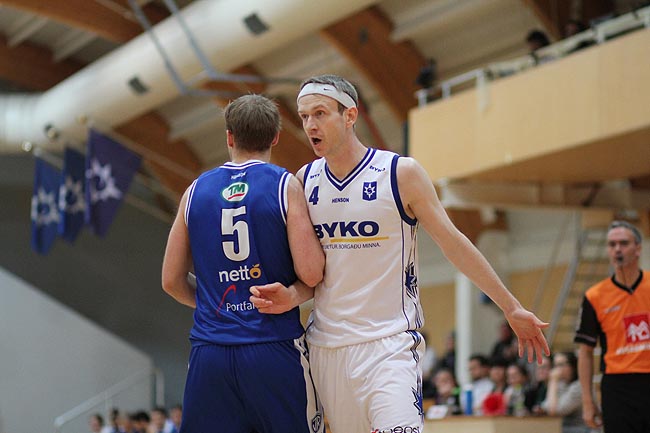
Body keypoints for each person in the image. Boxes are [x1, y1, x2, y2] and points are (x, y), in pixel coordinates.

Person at [250, 74, 550, 433]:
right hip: (326, 348)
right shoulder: (304, 180)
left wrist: (510, 306)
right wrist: (290, 296)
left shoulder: (399, 173)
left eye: (320, 113)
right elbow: (311, 273)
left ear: (350, 115)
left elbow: (453, 242)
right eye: (304, 117)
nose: (310, 125)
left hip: (389, 347)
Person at [161, 94, 325, 433]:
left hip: (210, 353)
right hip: (272, 347)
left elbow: (171, 281)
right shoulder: (285, 185)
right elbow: (311, 273)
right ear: (275, 137)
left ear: (229, 137)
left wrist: (215, 303)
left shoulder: (194, 191)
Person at [575, 220, 650, 433]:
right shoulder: (595, 296)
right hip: (618, 387)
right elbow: (585, 352)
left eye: (624, 243)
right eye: (612, 244)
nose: (617, 249)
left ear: (638, 248)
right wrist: (588, 401)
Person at [541, 351, 590, 433]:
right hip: (565, 428)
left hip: (582, 429)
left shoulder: (579, 386)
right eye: (555, 365)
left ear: (572, 366)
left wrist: (553, 381)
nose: (556, 370)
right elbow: (545, 406)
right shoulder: (561, 384)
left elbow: (554, 411)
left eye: (560, 365)